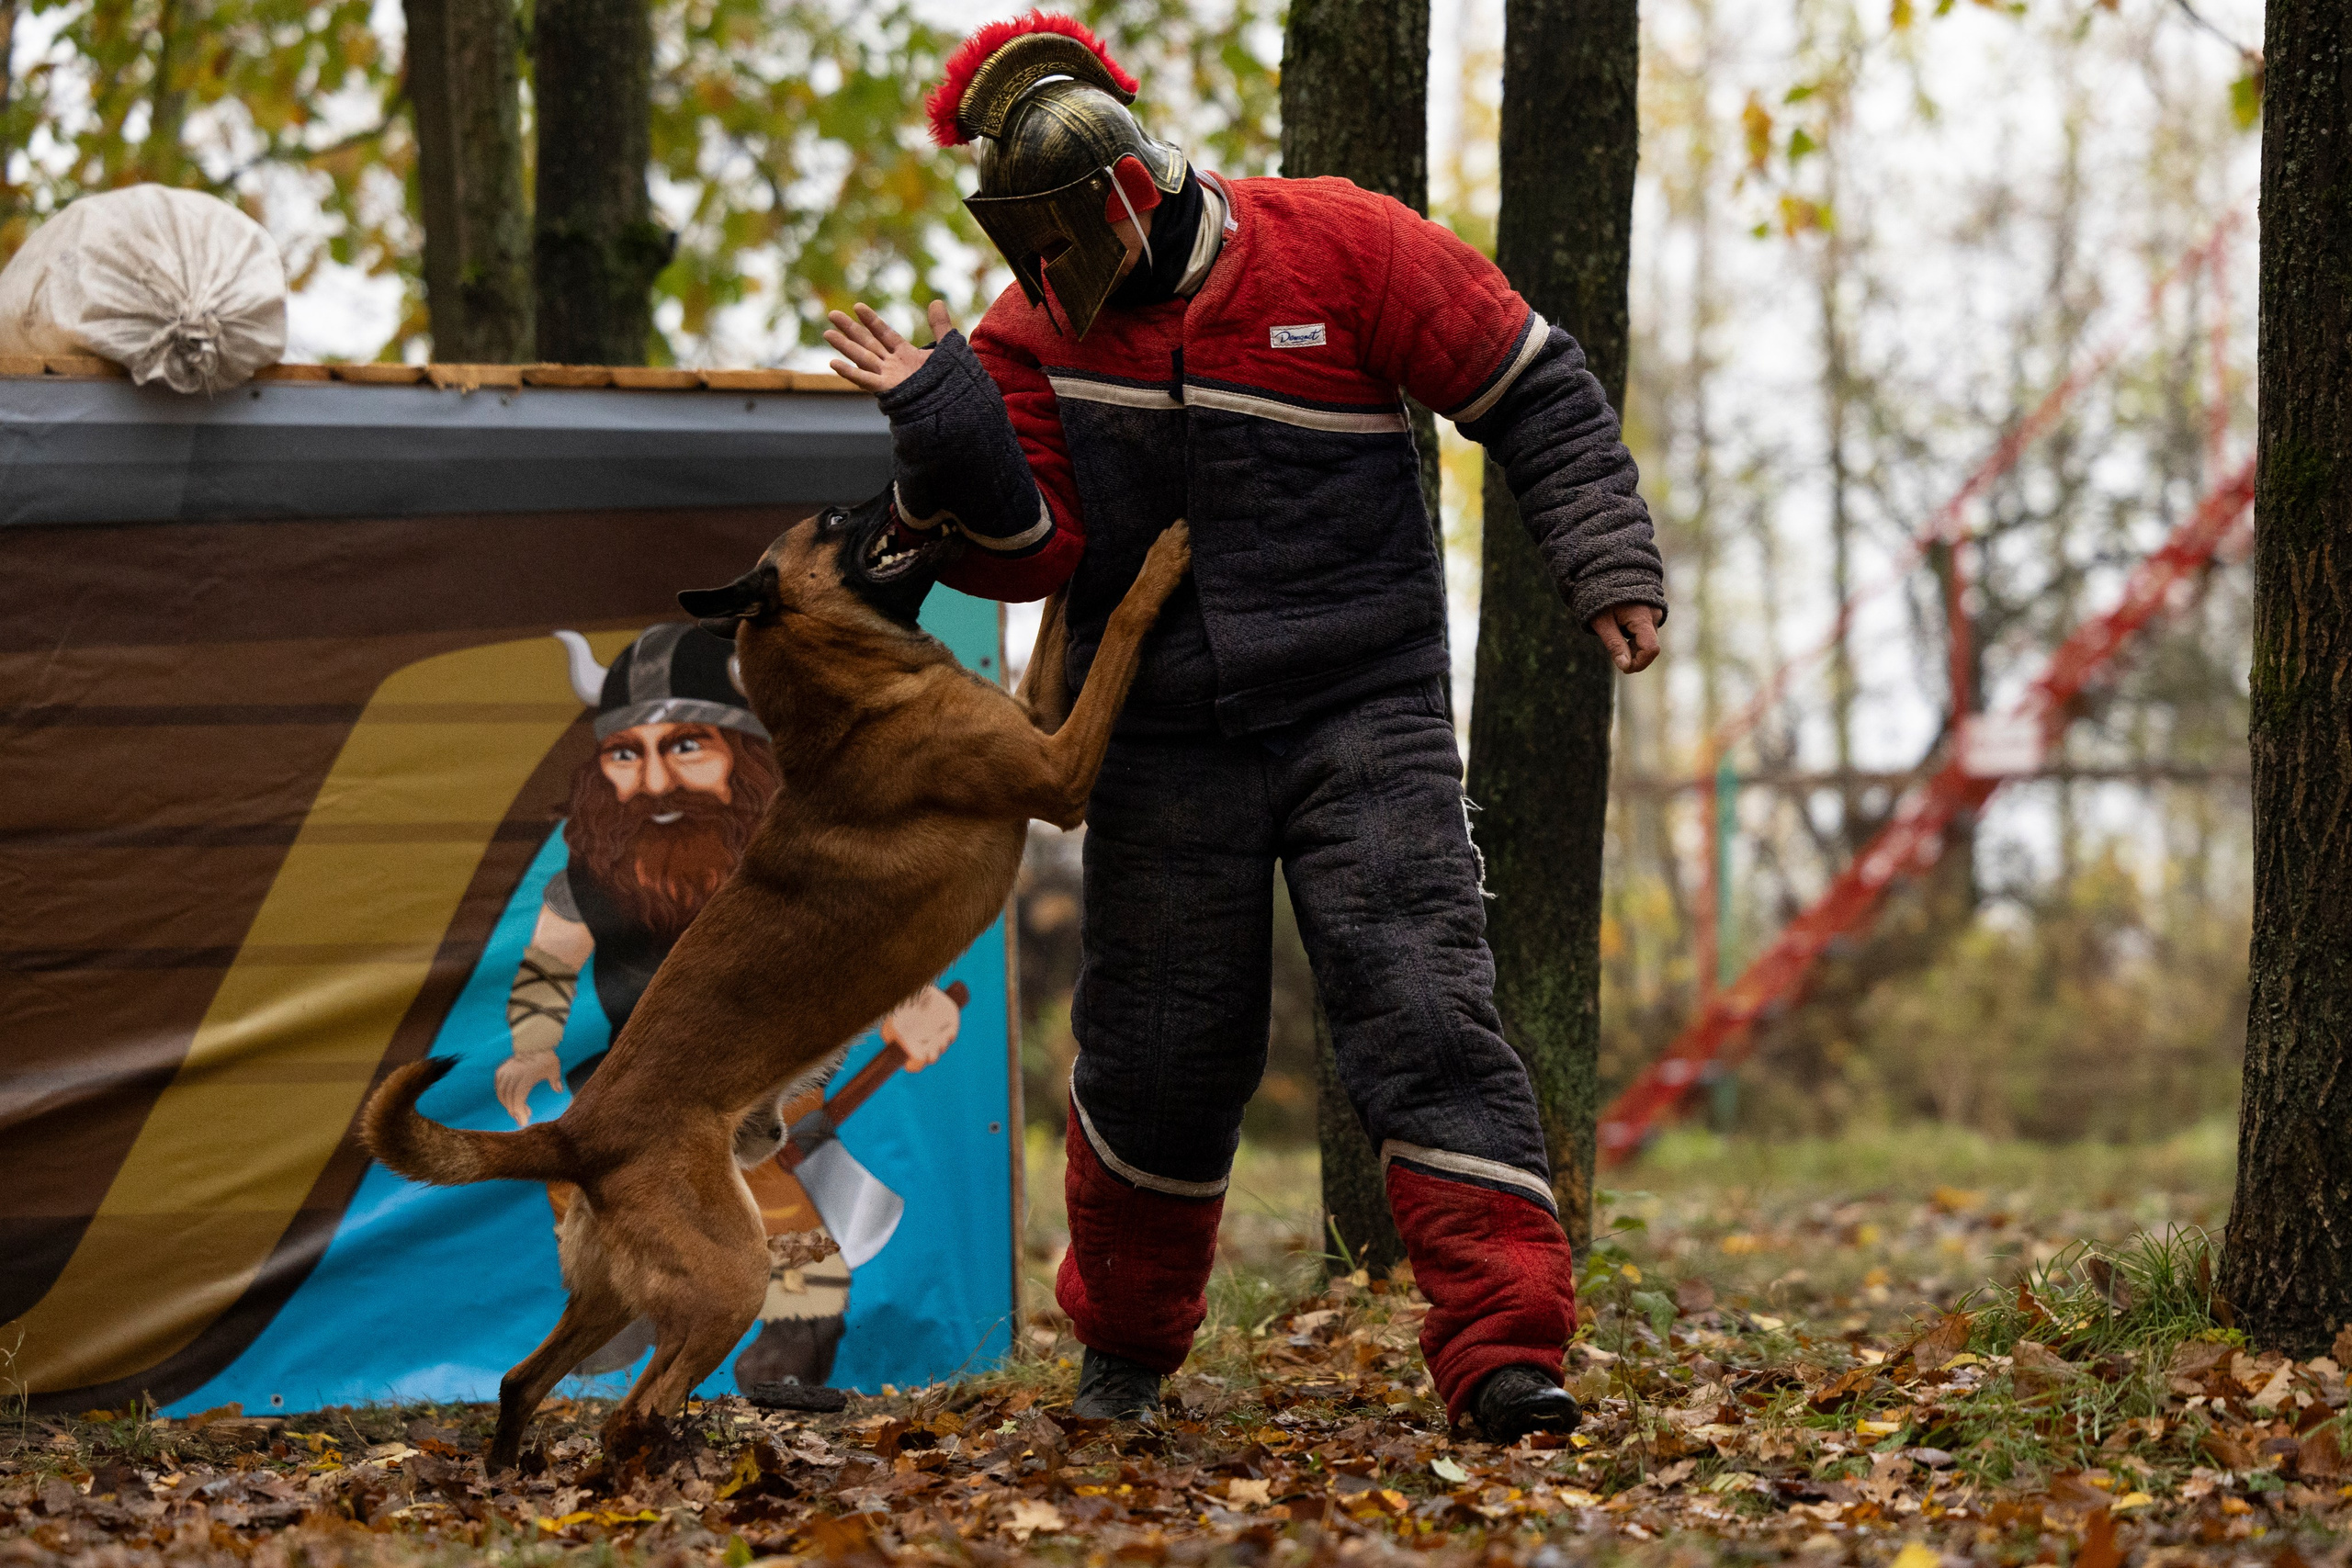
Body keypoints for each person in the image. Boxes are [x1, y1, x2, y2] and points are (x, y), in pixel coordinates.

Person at [822, 13, 1666, 1442]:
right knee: (1155, 1048)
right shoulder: (1020, 336)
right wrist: (940, 418)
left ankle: (1508, 1353)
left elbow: (1532, 384)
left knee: (1423, 1006)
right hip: (1161, 738)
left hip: (1366, 706)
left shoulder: (1343, 245)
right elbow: (1032, 550)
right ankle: (1124, 1354)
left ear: (1130, 192)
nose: (1049, 277)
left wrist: (1608, 561)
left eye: (1063, 244)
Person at [499, 624, 954, 1383]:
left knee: (779, 1205)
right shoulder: (591, 872)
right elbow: (551, 960)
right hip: (635, 1080)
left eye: (686, 747)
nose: (654, 780)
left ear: (743, 753)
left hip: (763, 1082)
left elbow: (862, 941)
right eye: (627, 753)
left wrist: (911, 997)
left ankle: (796, 1336)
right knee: (582, 1183)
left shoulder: (798, 860)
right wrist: (535, 1042)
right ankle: (610, 1305)